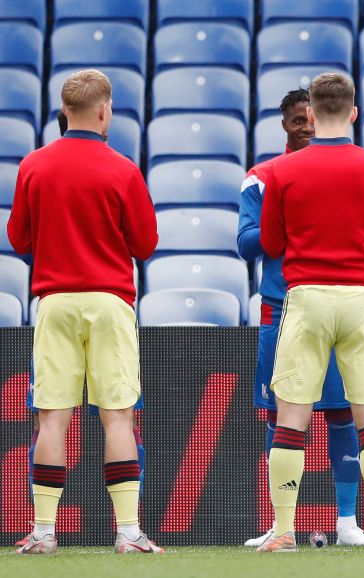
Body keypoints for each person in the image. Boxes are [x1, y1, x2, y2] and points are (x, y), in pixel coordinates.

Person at [9, 69, 161, 554]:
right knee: (117, 418)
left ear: (64, 109)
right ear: (102, 110)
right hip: (109, 302)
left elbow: (18, 239)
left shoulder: (33, 165)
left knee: (52, 419)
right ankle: (128, 534)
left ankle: (44, 532)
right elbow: (145, 243)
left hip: (54, 302)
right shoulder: (122, 168)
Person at [257, 72, 364, 553]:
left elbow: (271, 243)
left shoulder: (280, 172)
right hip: (360, 298)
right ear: (354, 113)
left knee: (291, 418)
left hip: (305, 298)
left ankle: (283, 531)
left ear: (312, 113)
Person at [237, 88, 364, 548]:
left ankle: (348, 522)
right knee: (282, 418)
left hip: (331, 306)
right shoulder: (262, 177)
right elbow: (248, 242)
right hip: (282, 309)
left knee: (341, 416)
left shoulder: (347, 172)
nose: (307, 127)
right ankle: (282, 526)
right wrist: (292, 223)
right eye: (297, 120)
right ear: (285, 125)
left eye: (311, 119)